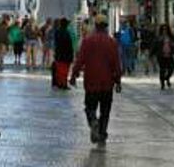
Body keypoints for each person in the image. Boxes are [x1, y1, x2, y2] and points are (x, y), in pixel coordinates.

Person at [70, 14, 122, 145]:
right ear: (106, 26)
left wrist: (73, 75)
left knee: (90, 107)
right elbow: (116, 63)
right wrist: (118, 81)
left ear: (96, 25)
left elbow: (80, 60)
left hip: (91, 81)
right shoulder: (112, 42)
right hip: (107, 83)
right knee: (105, 110)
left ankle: (93, 121)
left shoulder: (87, 41)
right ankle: (102, 133)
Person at [51, 18, 74, 89]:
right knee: (64, 70)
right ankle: (63, 84)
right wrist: (71, 55)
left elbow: (55, 43)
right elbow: (69, 45)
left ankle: (59, 83)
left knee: (59, 70)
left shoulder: (57, 32)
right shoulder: (67, 33)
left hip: (58, 54)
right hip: (66, 55)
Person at [154, 23, 174, 89]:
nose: (165, 31)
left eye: (166, 29)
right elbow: (155, 46)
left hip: (169, 55)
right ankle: (162, 84)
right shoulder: (158, 37)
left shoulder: (171, 37)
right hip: (161, 55)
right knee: (162, 69)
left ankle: (167, 78)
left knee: (171, 68)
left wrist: (173, 45)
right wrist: (152, 54)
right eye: (163, 29)